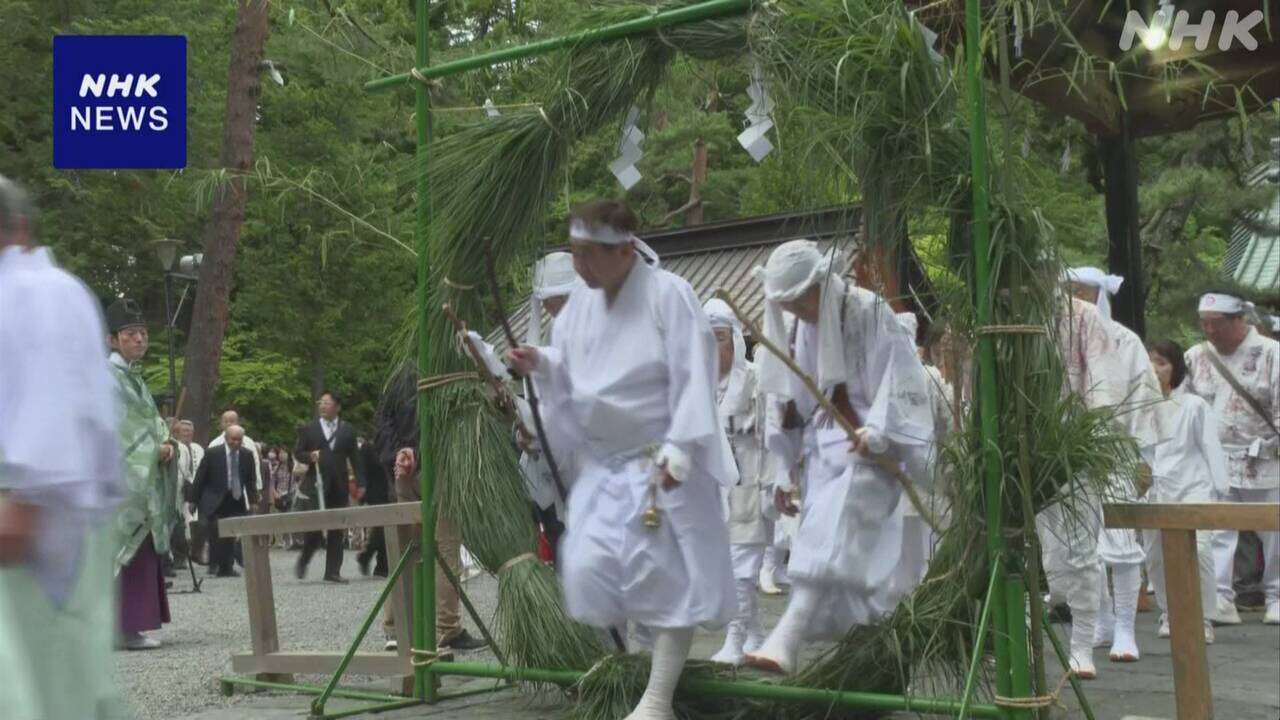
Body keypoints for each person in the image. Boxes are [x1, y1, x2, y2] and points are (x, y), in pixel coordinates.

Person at [507, 199, 736, 720]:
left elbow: (693, 373)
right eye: (576, 254)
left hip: (660, 462)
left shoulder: (670, 296)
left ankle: (657, 697)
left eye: (589, 255)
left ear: (623, 250)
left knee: (665, 577)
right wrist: (539, 362)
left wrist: (680, 449)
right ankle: (631, 668)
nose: (580, 267)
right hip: (606, 467)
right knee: (590, 568)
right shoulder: (580, 309)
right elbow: (573, 369)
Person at [743, 240, 933, 675]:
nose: (796, 309)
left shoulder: (868, 311)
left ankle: (787, 635)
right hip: (819, 453)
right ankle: (870, 653)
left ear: (821, 283)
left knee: (837, 532)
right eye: (786, 302)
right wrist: (782, 471)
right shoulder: (791, 331)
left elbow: (900, 377)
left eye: (800, 298)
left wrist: (881, 432)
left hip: (867, 453)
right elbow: (784, 405)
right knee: (850, 568)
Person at [0, 174, 126, 718]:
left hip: (35, 519)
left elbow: (50, 413)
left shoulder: (33, 289)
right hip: (51, 516)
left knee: (42, 689)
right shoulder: (49, 289)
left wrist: (22, 503)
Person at [1065, 267, 1168, 664]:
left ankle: (1126, 626)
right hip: (1069, 454)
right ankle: (1099, 622)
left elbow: (1143, 399)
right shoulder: (1053, 335)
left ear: (1094, 296)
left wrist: (1143, 456)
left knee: (1122, 544)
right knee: (1080, 545)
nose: (1071, 299)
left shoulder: (1125, 340)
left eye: (1078, 292)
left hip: (1116, 450)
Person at [1184, 290, 1279, 626]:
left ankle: (1276, 595)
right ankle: (1220, 597)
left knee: (1274, 529)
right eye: (1205, 324)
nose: (1210, 330)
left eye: (1218, 323)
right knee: (1218, 529)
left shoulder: (1271, 353)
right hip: (1216, 457)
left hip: (1264, 455)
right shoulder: (1196, 356)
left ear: (1240, 320)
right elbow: (1184, 408)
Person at [703, 298, 777, 666]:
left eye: (719, 338)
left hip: (750, 479)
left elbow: (774, 432)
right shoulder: (699, 385)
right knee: (727, 564)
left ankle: (734, 638)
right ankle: (755, 634)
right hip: (715, 488)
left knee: (743, 564)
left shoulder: (754, 379)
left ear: (733, 338)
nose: (713, 347)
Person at [104, 297, 179, 650]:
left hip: (140, 479)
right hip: (123, 483)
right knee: (127, 550)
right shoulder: (108, 379)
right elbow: (120, 433)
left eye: (143, 333)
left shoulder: (132, 378)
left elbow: (149, 424)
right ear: (112, 339)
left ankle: (131, 625)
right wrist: (155, 450)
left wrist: (166, 440)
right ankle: (124, 627)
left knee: (140, 552)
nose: (139, 339)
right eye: (130, 333)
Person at [1146, 340, 1225, 644]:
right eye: (1150, 362)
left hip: (1193, 488)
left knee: (1201, 551)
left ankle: (1203, 617)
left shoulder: (1194, 405)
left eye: (1162, 362)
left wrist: (1219, 492)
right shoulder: (1140, 405)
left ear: (1176, 367)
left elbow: (1210, 448)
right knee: (1155, 555)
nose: (1155, 369)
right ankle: (1169, 612)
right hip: (1155, 490)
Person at [888, 311, 954, 599]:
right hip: (896, 484)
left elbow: (949, 428)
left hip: (930, 481)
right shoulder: (880, 381)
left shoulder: (930, 378)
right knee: (903, 565)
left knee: (930, 558)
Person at [295, 391, 363, 583]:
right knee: (315, 529)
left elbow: (355, 459)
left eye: (327, 403)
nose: (323, 406)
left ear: (337, 407)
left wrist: (361, 482)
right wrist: (309, 457)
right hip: (316, 485)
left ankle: (332, 571)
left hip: (339, 485)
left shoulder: (347, 430)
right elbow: (298, 452)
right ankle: (304, 558)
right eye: (321, 402)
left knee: (337, 528)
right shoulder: (310, 429)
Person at [190, 425, 258, 577]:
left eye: (239, 440)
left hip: (234, 498)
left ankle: (226, 567)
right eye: (233, 439)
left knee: (231, 533)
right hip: (213, 497)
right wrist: (193, 500)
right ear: (226, 438)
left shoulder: (247, 455)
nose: (236, 443)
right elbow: (200, 478)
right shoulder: (212, 453)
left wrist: (253, 501)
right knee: (215, 531)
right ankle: (214, 564)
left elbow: (250, 480)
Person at [208, 410, 265, 512]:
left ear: (237, 423)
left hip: (244, 490)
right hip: (221, 492)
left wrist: (257, 489)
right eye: (226, 421)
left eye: (232, 421)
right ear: (221, 424)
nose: (229, 424)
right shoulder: (214, 444)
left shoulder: (248, 442)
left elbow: (255, 466)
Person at [356, 436, 391, 577]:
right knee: (382, 529)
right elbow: (361, 470)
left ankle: (376, 563)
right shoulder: (367, 448)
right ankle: (378, 564)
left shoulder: (391, 446)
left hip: (389, 493)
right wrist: (362, 489)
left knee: (383, 529)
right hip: (375, 494)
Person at [175, 420, 207, 564]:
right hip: (180, 491)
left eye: (190, 431)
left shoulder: (198, 449)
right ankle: (179, 557)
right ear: (178, 432)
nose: (188, 433)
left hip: (196, 491)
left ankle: (196, 553)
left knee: (197, 524)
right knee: (182, 524)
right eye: (185, 431)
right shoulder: (175, 447)